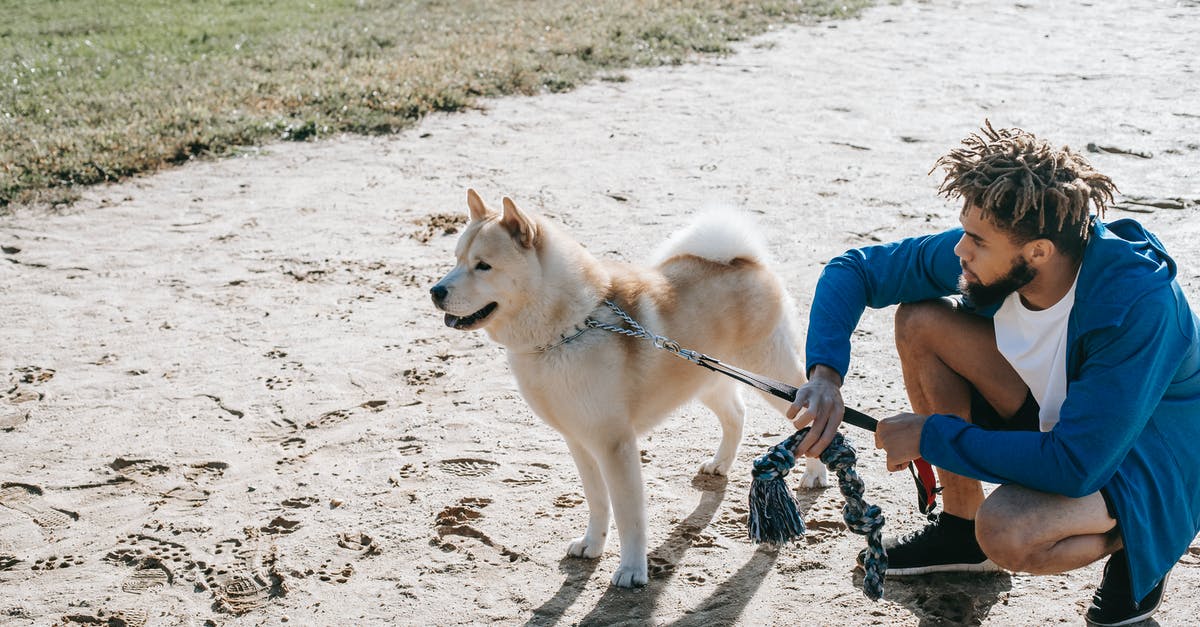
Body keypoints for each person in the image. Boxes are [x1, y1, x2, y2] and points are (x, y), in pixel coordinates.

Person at [786, 121, 1200, 626]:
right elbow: (856, 270)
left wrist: (931, 436)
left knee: (1006, 529)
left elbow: (1076, 465)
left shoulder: (1138, 303)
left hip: (1148, 454)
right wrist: (825, 376)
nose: (961, 250)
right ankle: (959, 530)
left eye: (977, 241)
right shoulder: (1002, 252)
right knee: (920, 321)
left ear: (1038, 252)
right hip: (1062, 416)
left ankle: (1142, 539)